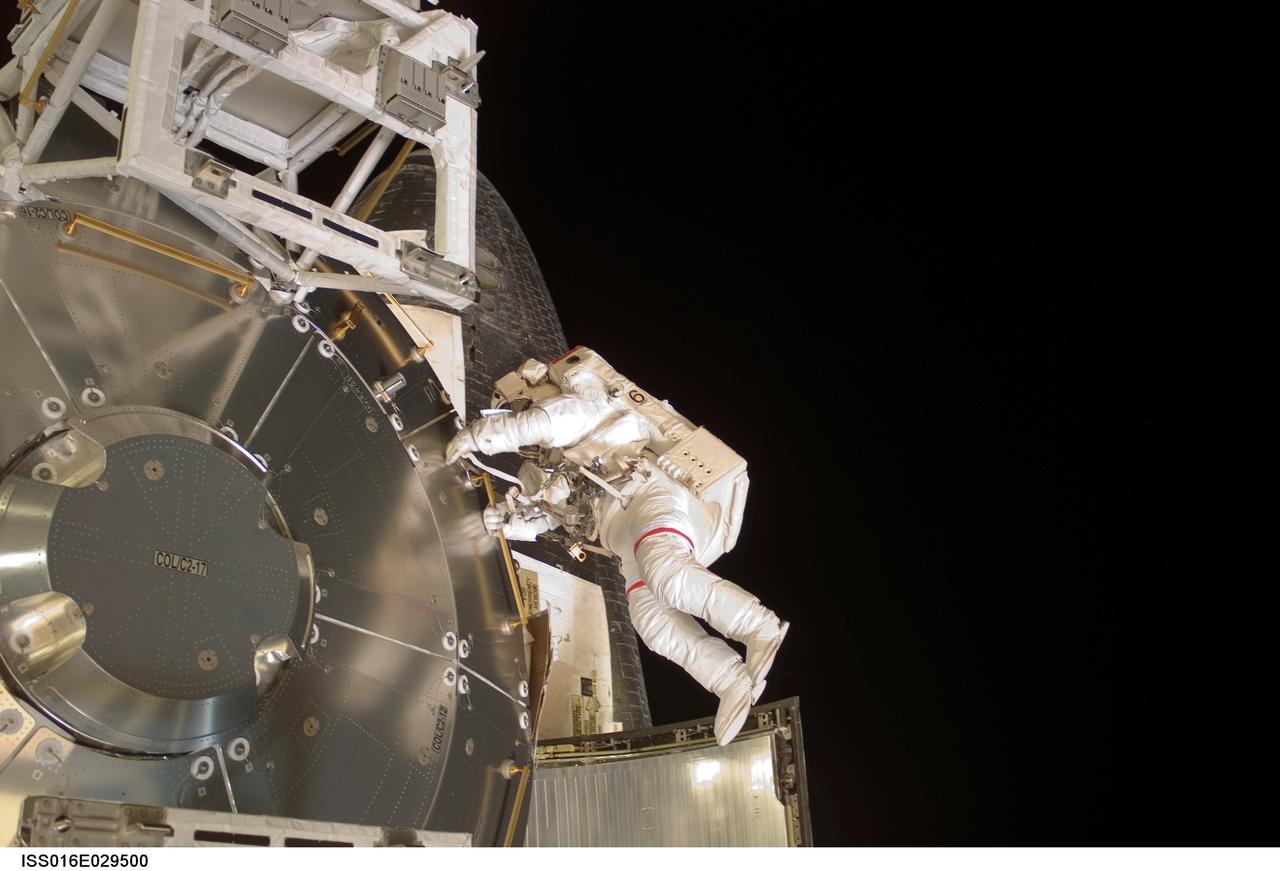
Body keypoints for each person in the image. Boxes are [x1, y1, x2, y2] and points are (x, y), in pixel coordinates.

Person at [445, 347, 787, 745]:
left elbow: (537, 424)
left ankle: (757, 626)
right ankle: (728, 679)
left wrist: (479, 435)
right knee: (653, 624)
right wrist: (504, 521)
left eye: (515, 408)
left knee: (667, 576)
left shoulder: (581, 405)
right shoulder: (543, 470)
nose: (525, 440)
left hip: (651, 496)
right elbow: (544, 519)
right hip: (624, 537)